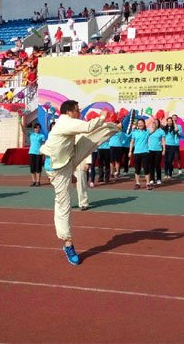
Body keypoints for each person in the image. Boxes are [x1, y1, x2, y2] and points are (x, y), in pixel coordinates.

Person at [40, 101, 118, 265]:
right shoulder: (65, 122)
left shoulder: (68, 122)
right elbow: (89, 126)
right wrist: (102, 115)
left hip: (68, 160)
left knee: (88, 141)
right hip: (57, 167)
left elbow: (87, 131)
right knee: (64, 203)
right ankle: (68, 243)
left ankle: (116, 127)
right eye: (77, 110)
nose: (79, 113)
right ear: (69, 112)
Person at [129, 118, 152, 191]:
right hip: (136, 152)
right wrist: (130, 151)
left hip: (145, 152)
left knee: (146, 168)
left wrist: (152, 118)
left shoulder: (147, 131)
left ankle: (148, 184)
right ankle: (137, 183)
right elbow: (132, 142)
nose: (140, 124)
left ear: (144, 124)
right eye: (139, 123)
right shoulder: (134, 132)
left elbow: (154, 128)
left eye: (141, 123)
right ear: (137, 125)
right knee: (137, 169)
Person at [148, 119, 166, 186]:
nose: (155, 123)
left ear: (159, 124)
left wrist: (164, 149)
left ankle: (158, 179)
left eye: (156, 122)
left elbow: (163, 141)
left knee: (157, 165)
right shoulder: (150, 130)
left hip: (158, 150)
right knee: (151, 165)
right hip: (150, 150)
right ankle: (151, 179)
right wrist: (152, 130)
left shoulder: (161, 131)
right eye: (154, 122)